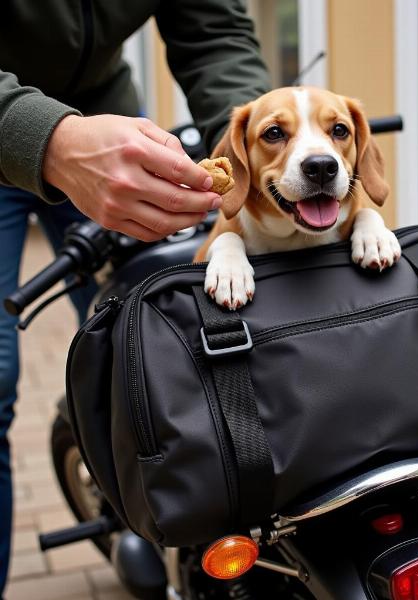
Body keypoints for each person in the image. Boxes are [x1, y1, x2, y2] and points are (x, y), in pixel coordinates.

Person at [0, 1, 270, 594]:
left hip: (109, 124)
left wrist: (257, 140)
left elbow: (214, 30)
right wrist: (47, 140)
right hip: (12, 128)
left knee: (143, 359)